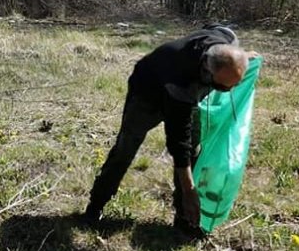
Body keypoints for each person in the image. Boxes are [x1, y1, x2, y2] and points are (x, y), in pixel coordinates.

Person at [85, 25, 256, 239]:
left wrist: (246, 59)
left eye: (234, 84)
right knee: (125, 149)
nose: (229, 90)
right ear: (207, 70)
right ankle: (96, 205)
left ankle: (185, 220)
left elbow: (221, 37)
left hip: (181, 91)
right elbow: (178, 143)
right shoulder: (183, 82)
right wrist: (190, 191)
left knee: (194, 151)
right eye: (223, 87)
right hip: (147, 95)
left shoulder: (225, 39)